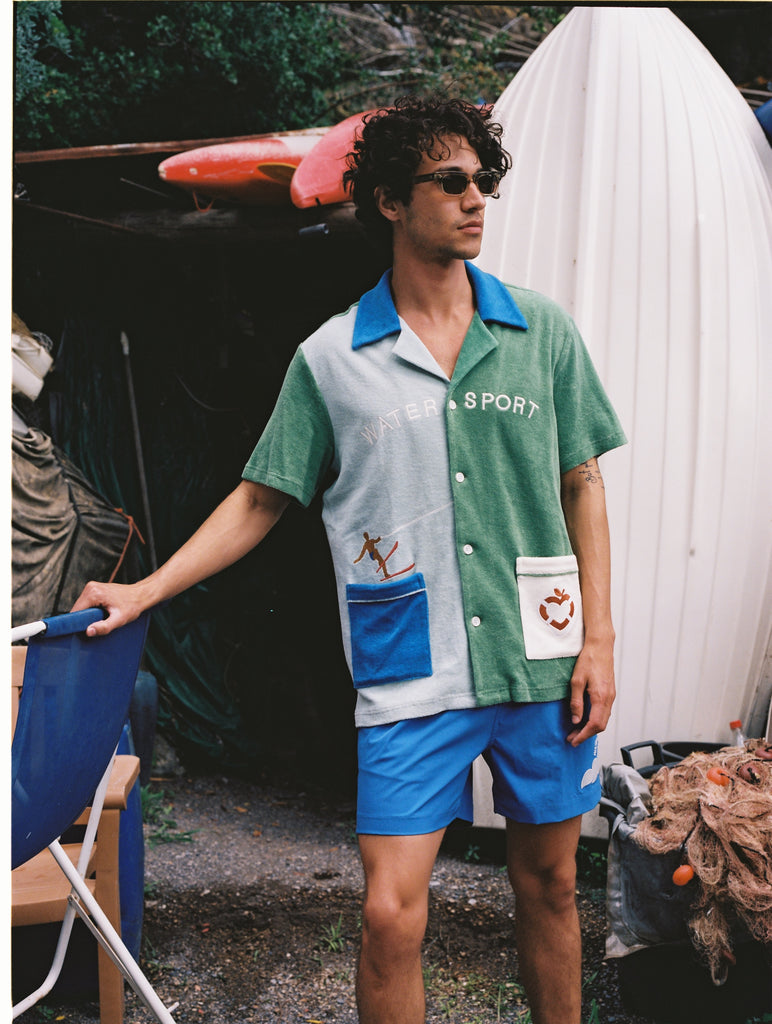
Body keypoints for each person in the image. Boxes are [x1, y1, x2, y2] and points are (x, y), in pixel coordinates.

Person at [74, 95, 627, 1024]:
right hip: (411, 669)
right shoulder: (333, 359)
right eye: (449, 182)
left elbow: (583, 483)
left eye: (482, 181)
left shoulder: (543, 333)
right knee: (386, 912)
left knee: (554, 887)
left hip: (542, 657)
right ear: (387, 203)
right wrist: (146, 590)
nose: (475, 199)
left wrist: (601, 637)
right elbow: (260, 497)